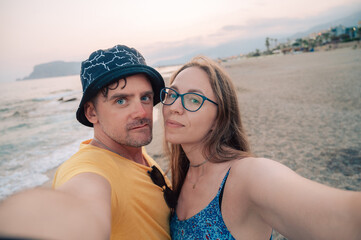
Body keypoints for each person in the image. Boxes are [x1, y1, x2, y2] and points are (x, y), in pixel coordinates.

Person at [160, 56, 361, 240]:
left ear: (219, 118)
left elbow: (341, 217)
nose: (174, 107)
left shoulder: (246, 176)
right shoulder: (181, 175)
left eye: (194, 100)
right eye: (172, 94)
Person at [0, 45, 174, 240]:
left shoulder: (135, 153)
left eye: (145, 97)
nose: (142, 112)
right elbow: (81, 202)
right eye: (121, 101)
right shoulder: (89, 169)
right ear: (91, 112)